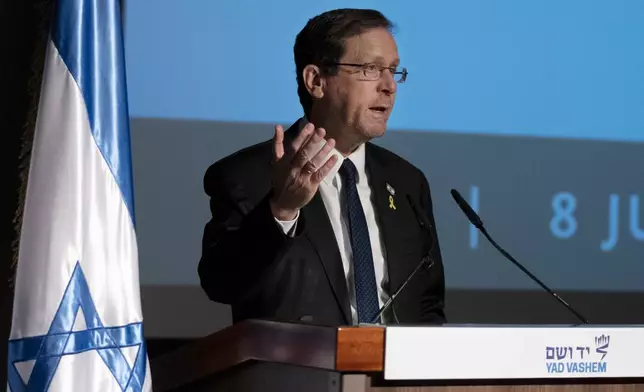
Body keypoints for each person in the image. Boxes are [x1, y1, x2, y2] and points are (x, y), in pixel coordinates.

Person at [198, 8, 446, 326]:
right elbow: (222, 283)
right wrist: (282, 209)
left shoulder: (408, 182)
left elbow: (427, 307)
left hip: (393, 372)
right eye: (370, 69)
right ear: (316, 81)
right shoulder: (247, 176)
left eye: (393, 70)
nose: (389, 86)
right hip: (302, 372)